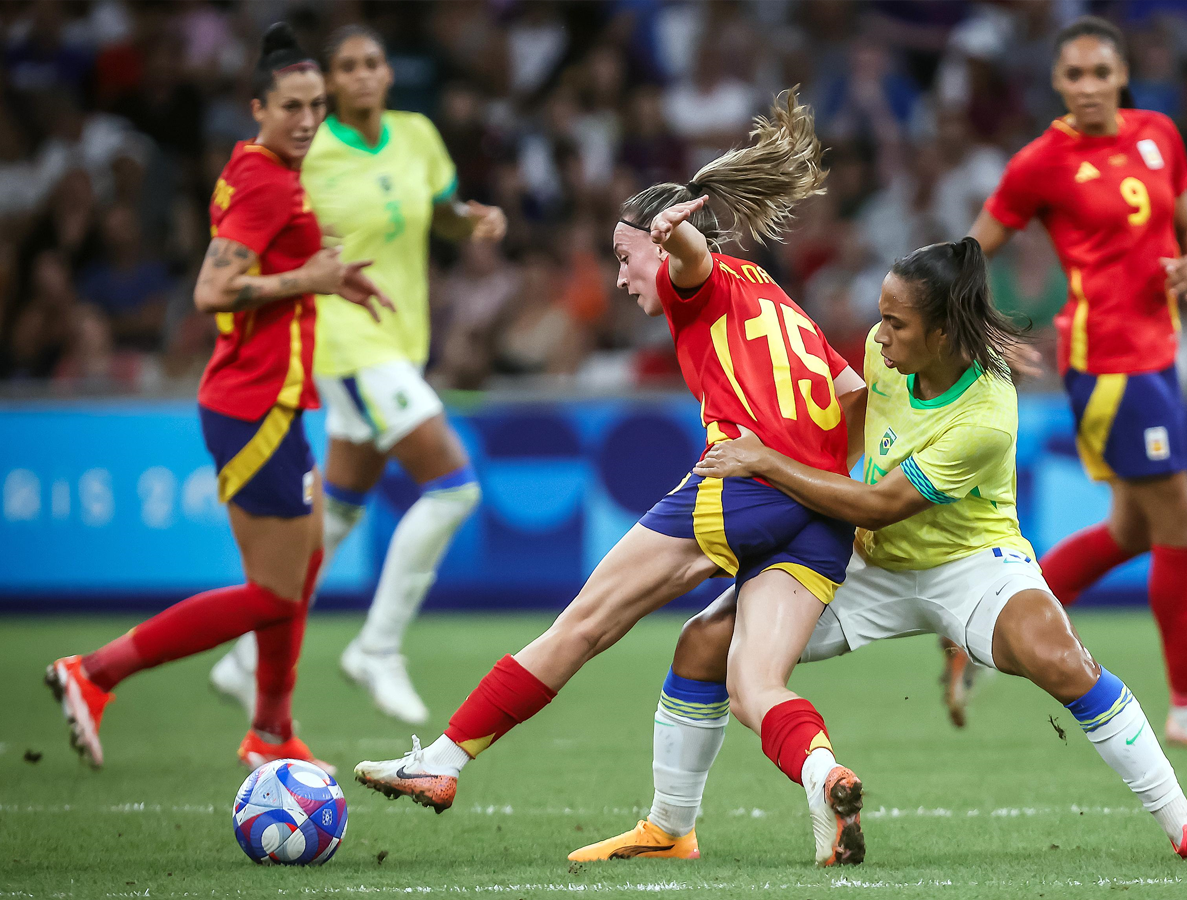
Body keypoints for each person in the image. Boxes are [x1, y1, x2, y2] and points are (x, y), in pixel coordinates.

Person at [353, 89, 874, 867]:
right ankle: (818, 778)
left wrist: (677, 239)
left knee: (583, 626)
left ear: (662, 248)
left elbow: (686, 267)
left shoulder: (694, 278)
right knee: (747, 678)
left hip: (744, 485)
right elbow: (852, 393)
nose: (623, 275)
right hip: (820, 509)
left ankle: (443, 761)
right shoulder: (770, 291)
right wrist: (828, 476)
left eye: (625, 256)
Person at [572, 238, 1187, 862]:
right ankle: (668, 831)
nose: (879, 334)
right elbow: (844, 425)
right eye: (882, 315)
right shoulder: (886, 353)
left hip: (971, 567)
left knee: (1060, 659)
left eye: (897, 323)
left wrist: (765, 462)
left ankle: (1184, 825)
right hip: (868, 560)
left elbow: (882, 503)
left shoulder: (986, 414)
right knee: (704, 642)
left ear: (946, 334)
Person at [45, 23, 390, 772]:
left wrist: (326, 277)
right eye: (292, 106)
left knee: (299, 574)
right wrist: (311, 280)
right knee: (272, 594)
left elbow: (271, 267)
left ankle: (270, 730)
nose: (307, 120)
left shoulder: (256, 165)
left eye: (317, 106)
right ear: (257, 107)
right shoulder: (267, 181)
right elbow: (213, 290)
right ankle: (94, 672)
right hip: (255, 405)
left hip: (279, 400)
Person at [209, 24, 506, 725]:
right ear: (329, 86)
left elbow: (440, 213)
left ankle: (247, 658)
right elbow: (261, 225)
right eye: (349, 67)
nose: (365, 74)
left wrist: (472, 221)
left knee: (338, 510)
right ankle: (376, 648)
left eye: (375, 61)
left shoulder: (417, 135)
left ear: (389, 73)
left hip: (402, 338)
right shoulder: (308, 153)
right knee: (454, 487)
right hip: (344, 339)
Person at [946, 16, 1187, 742]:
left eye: (1101, 73)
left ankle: (987, 632)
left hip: (1157, 355)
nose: (1089, 86)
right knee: (1181, 524)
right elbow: (970, 252)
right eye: (1074, 75)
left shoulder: (1159, 134)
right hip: (1109, 361)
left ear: (1121, 76)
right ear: (1057, 83)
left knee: (1129, 528)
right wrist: (981, 332)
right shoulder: (1041, 163)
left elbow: (1185, 222)